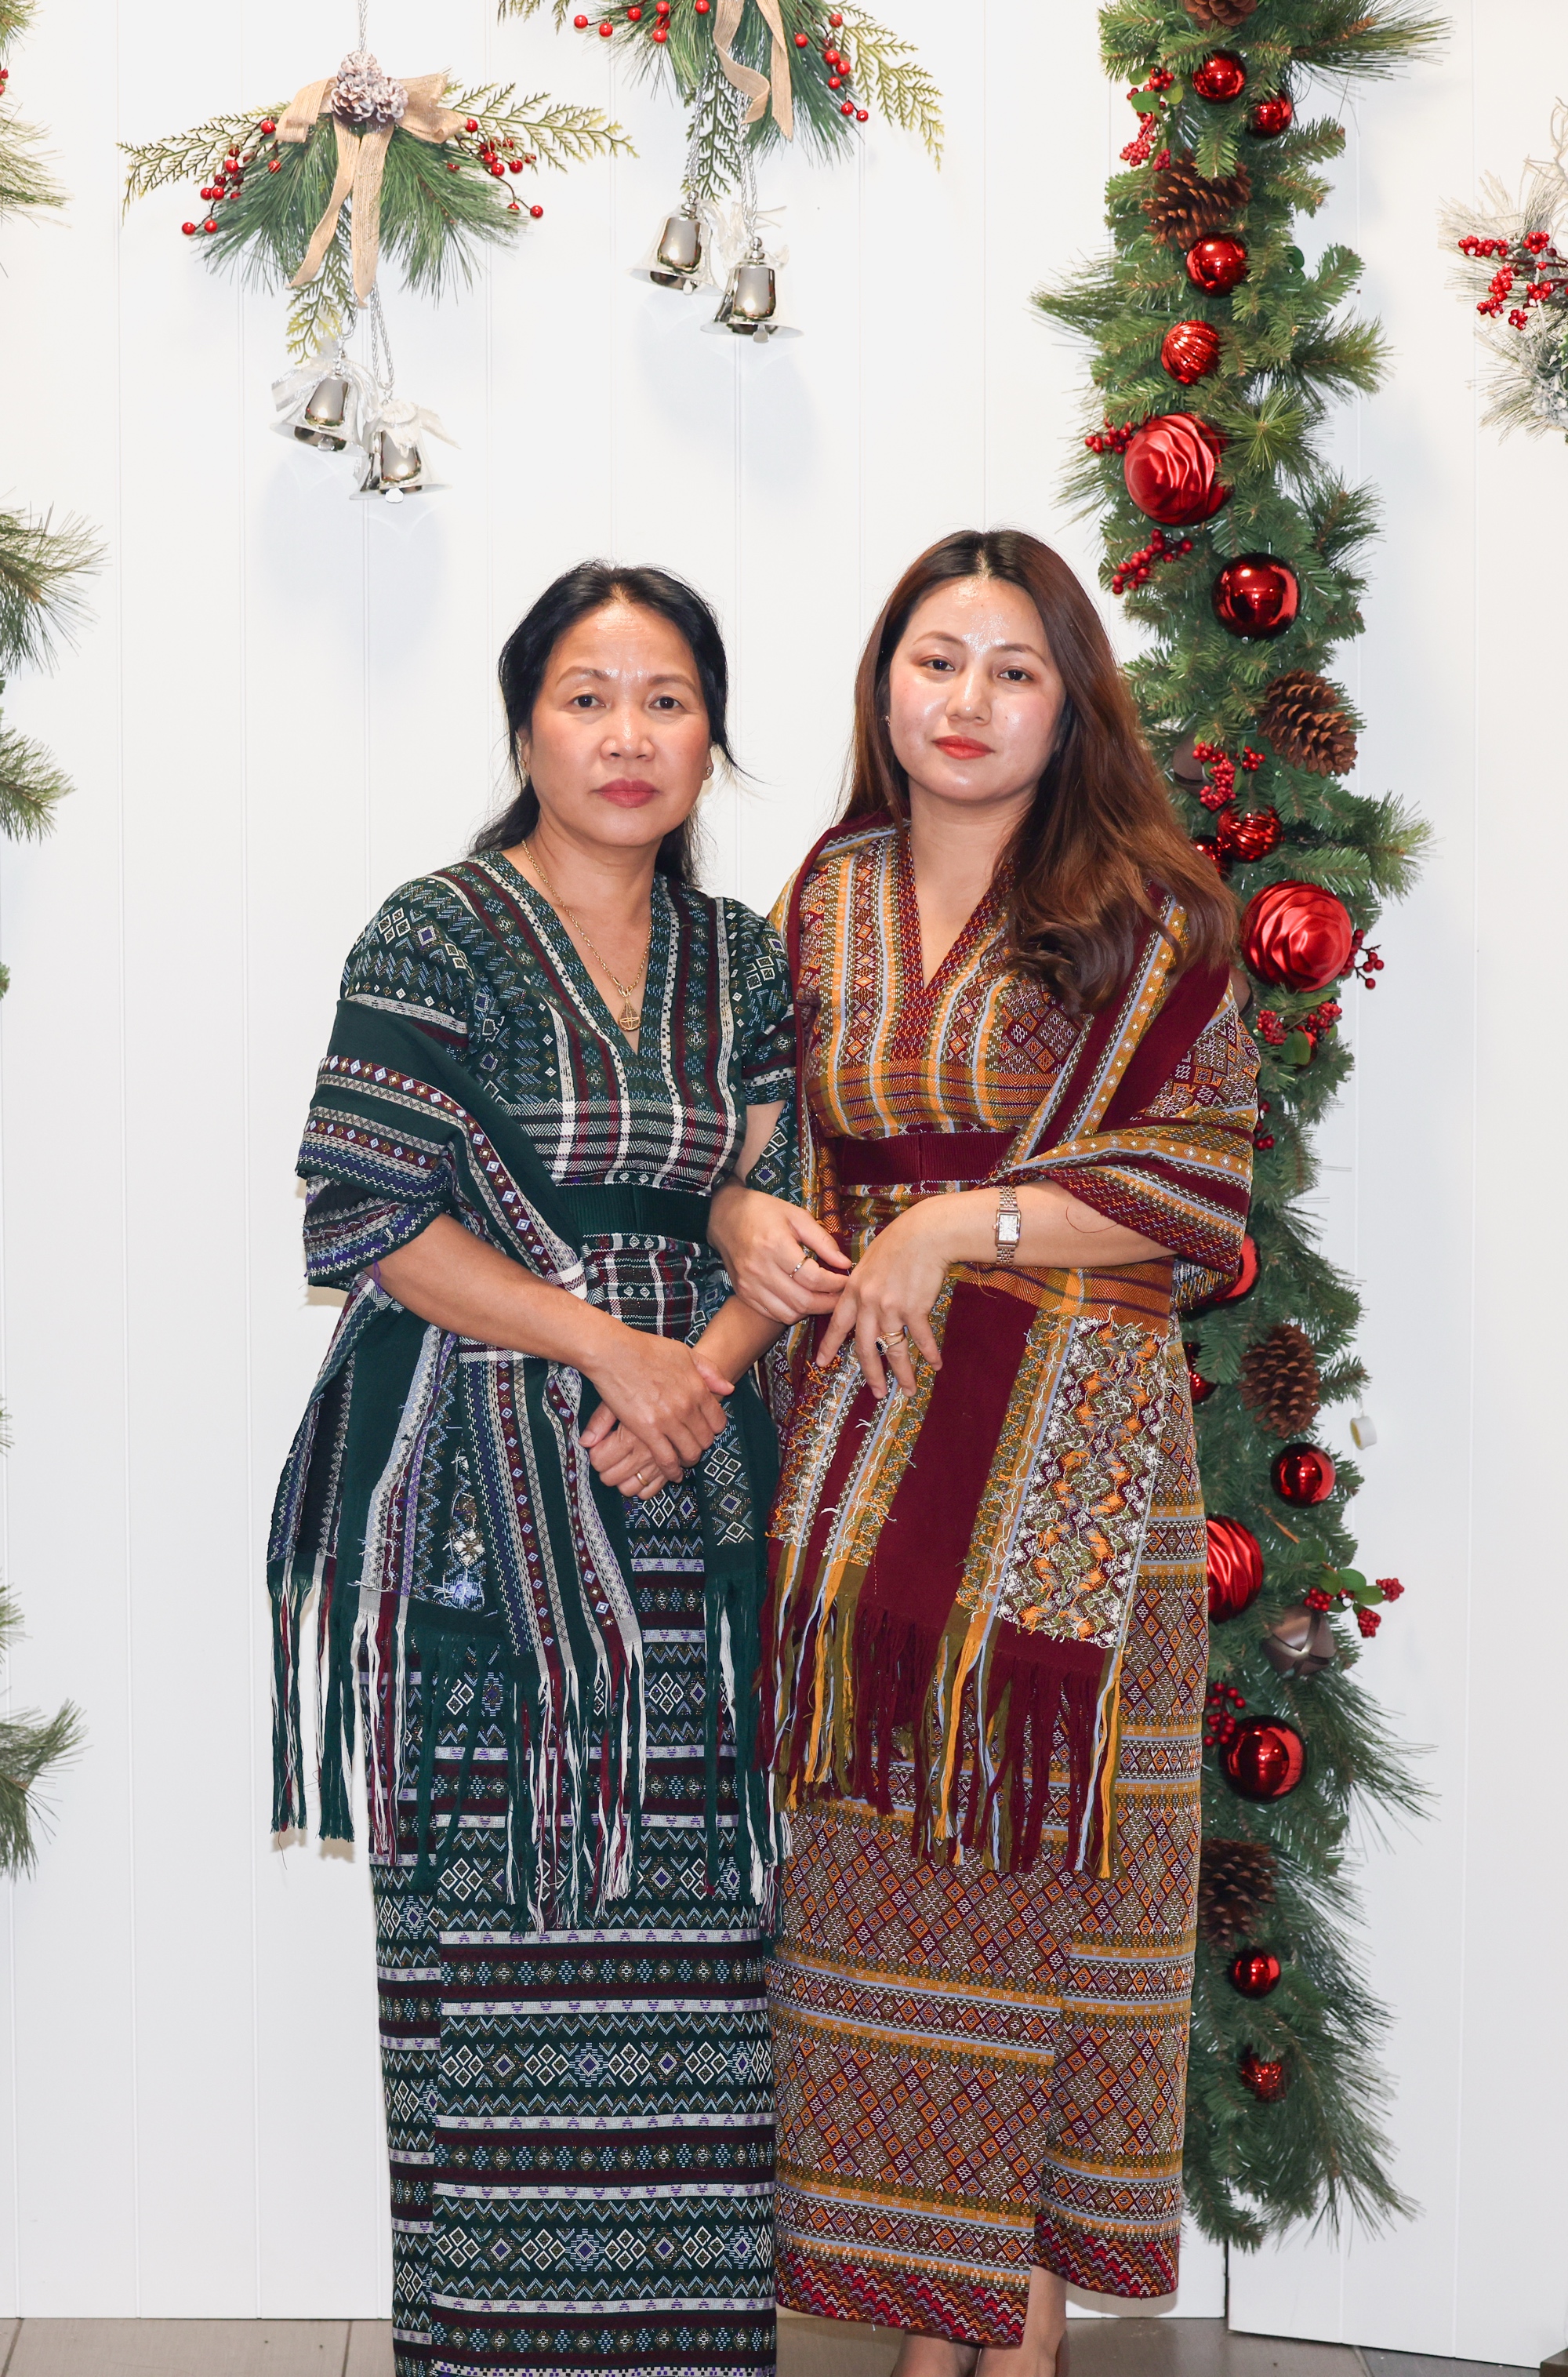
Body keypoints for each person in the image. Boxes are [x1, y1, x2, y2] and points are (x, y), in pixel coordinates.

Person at [709, 529, 1258, 2377]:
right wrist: (741, 1217)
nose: (966, 700)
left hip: (1082, 1495)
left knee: (1056, 1891)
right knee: (884, 1901)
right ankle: (930, 2327)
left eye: (1012, 669)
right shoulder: (828, 890)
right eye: (934, 659)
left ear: (1068, 701)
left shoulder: (1148, 910)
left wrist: (969, 1224)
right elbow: (762, 1138)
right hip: (866, 1466)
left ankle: (1013, 2338)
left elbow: (1200, 1191)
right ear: (885, 685)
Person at [268, 564, 795, 2377]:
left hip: (691, 1495)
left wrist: (694, 1376)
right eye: (586, 695)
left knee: (702, 1969)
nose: (626, 734)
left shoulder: (745, 959)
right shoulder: (437, 931)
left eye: (665, 698)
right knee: (495, 1970)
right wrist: (606, 1349)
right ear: (523, 730)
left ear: (710, 736)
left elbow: (780, 1203)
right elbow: (368, 1218)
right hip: (481, 1518)